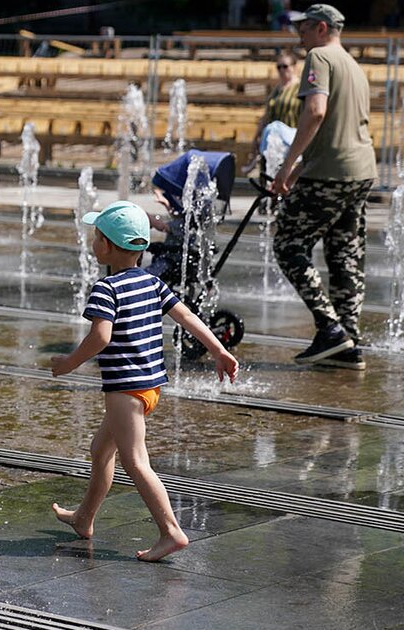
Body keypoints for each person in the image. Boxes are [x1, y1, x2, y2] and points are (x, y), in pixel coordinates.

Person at [50, 201, 239, 562]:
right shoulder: (152, 282)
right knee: (101, 450)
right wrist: (218, 350)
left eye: (96, 236)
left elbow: (101, 337)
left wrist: (71, 362)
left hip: (124, 388)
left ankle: (171, 531)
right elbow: (186, 316)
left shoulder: (106, 289)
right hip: (150, 386)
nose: (93, 241)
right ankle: (84, 518)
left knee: (136, 461)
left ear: (104, 246)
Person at [271, 5, 377, 370]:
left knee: (287, 244)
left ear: (321, 28)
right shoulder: (353, 65)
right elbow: (338, 130)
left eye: (302, 28)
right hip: (361, 170)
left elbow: (315, 112)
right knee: (344, 255)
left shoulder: (319, 56)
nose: (298, 35)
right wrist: (300, 168)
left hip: (330, 175)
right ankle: (349, 344)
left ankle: (330, 329)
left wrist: (285, 167)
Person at [245, 52, 302, 173]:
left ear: (294, 67)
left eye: (285, 66)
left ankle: (258, 162)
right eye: (279, 67)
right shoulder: (277, 89)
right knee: (272, 129)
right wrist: (256, 139)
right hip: (274, 140)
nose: (281, 70)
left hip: (293, 135)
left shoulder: (300, 88)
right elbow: (266, 116)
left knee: (274, 127)